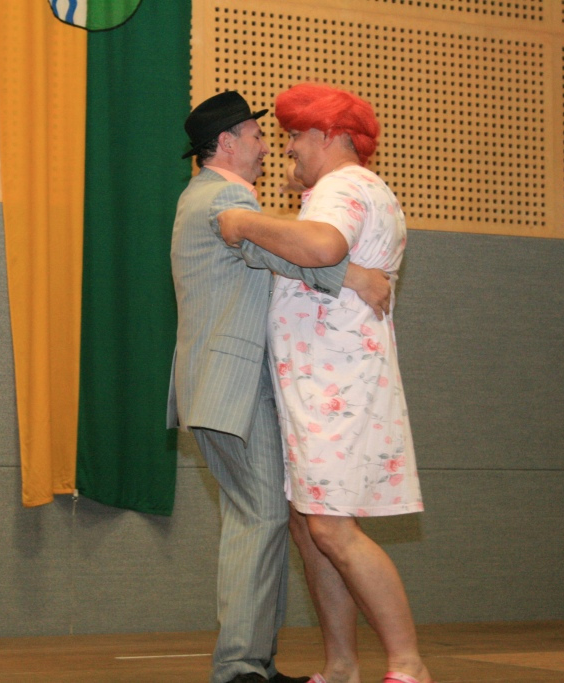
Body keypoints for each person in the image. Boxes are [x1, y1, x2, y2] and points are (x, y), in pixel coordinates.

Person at [167, 90, 392, 683]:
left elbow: (274, 248)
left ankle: (256, 663)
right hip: (233, 385)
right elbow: (287, 254)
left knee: (262, 517)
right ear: (226, 143)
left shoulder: (201, 195)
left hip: (221, 386)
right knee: (260, 518)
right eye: (257, 136)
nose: (268, 148)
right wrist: (357, 276)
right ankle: (241, 667)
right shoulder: (225, 198)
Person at [218, 83, 433, 683]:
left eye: (296, 136)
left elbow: (320, 247)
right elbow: (327, 255)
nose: (287, 147)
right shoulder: (345, 190)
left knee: (332, 529)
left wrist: (244, 220)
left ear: (332, 136)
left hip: (335, 387)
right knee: (311, 528)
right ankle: (341, 667)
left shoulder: (344, 186)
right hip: (319, 387)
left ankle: (409, 664)